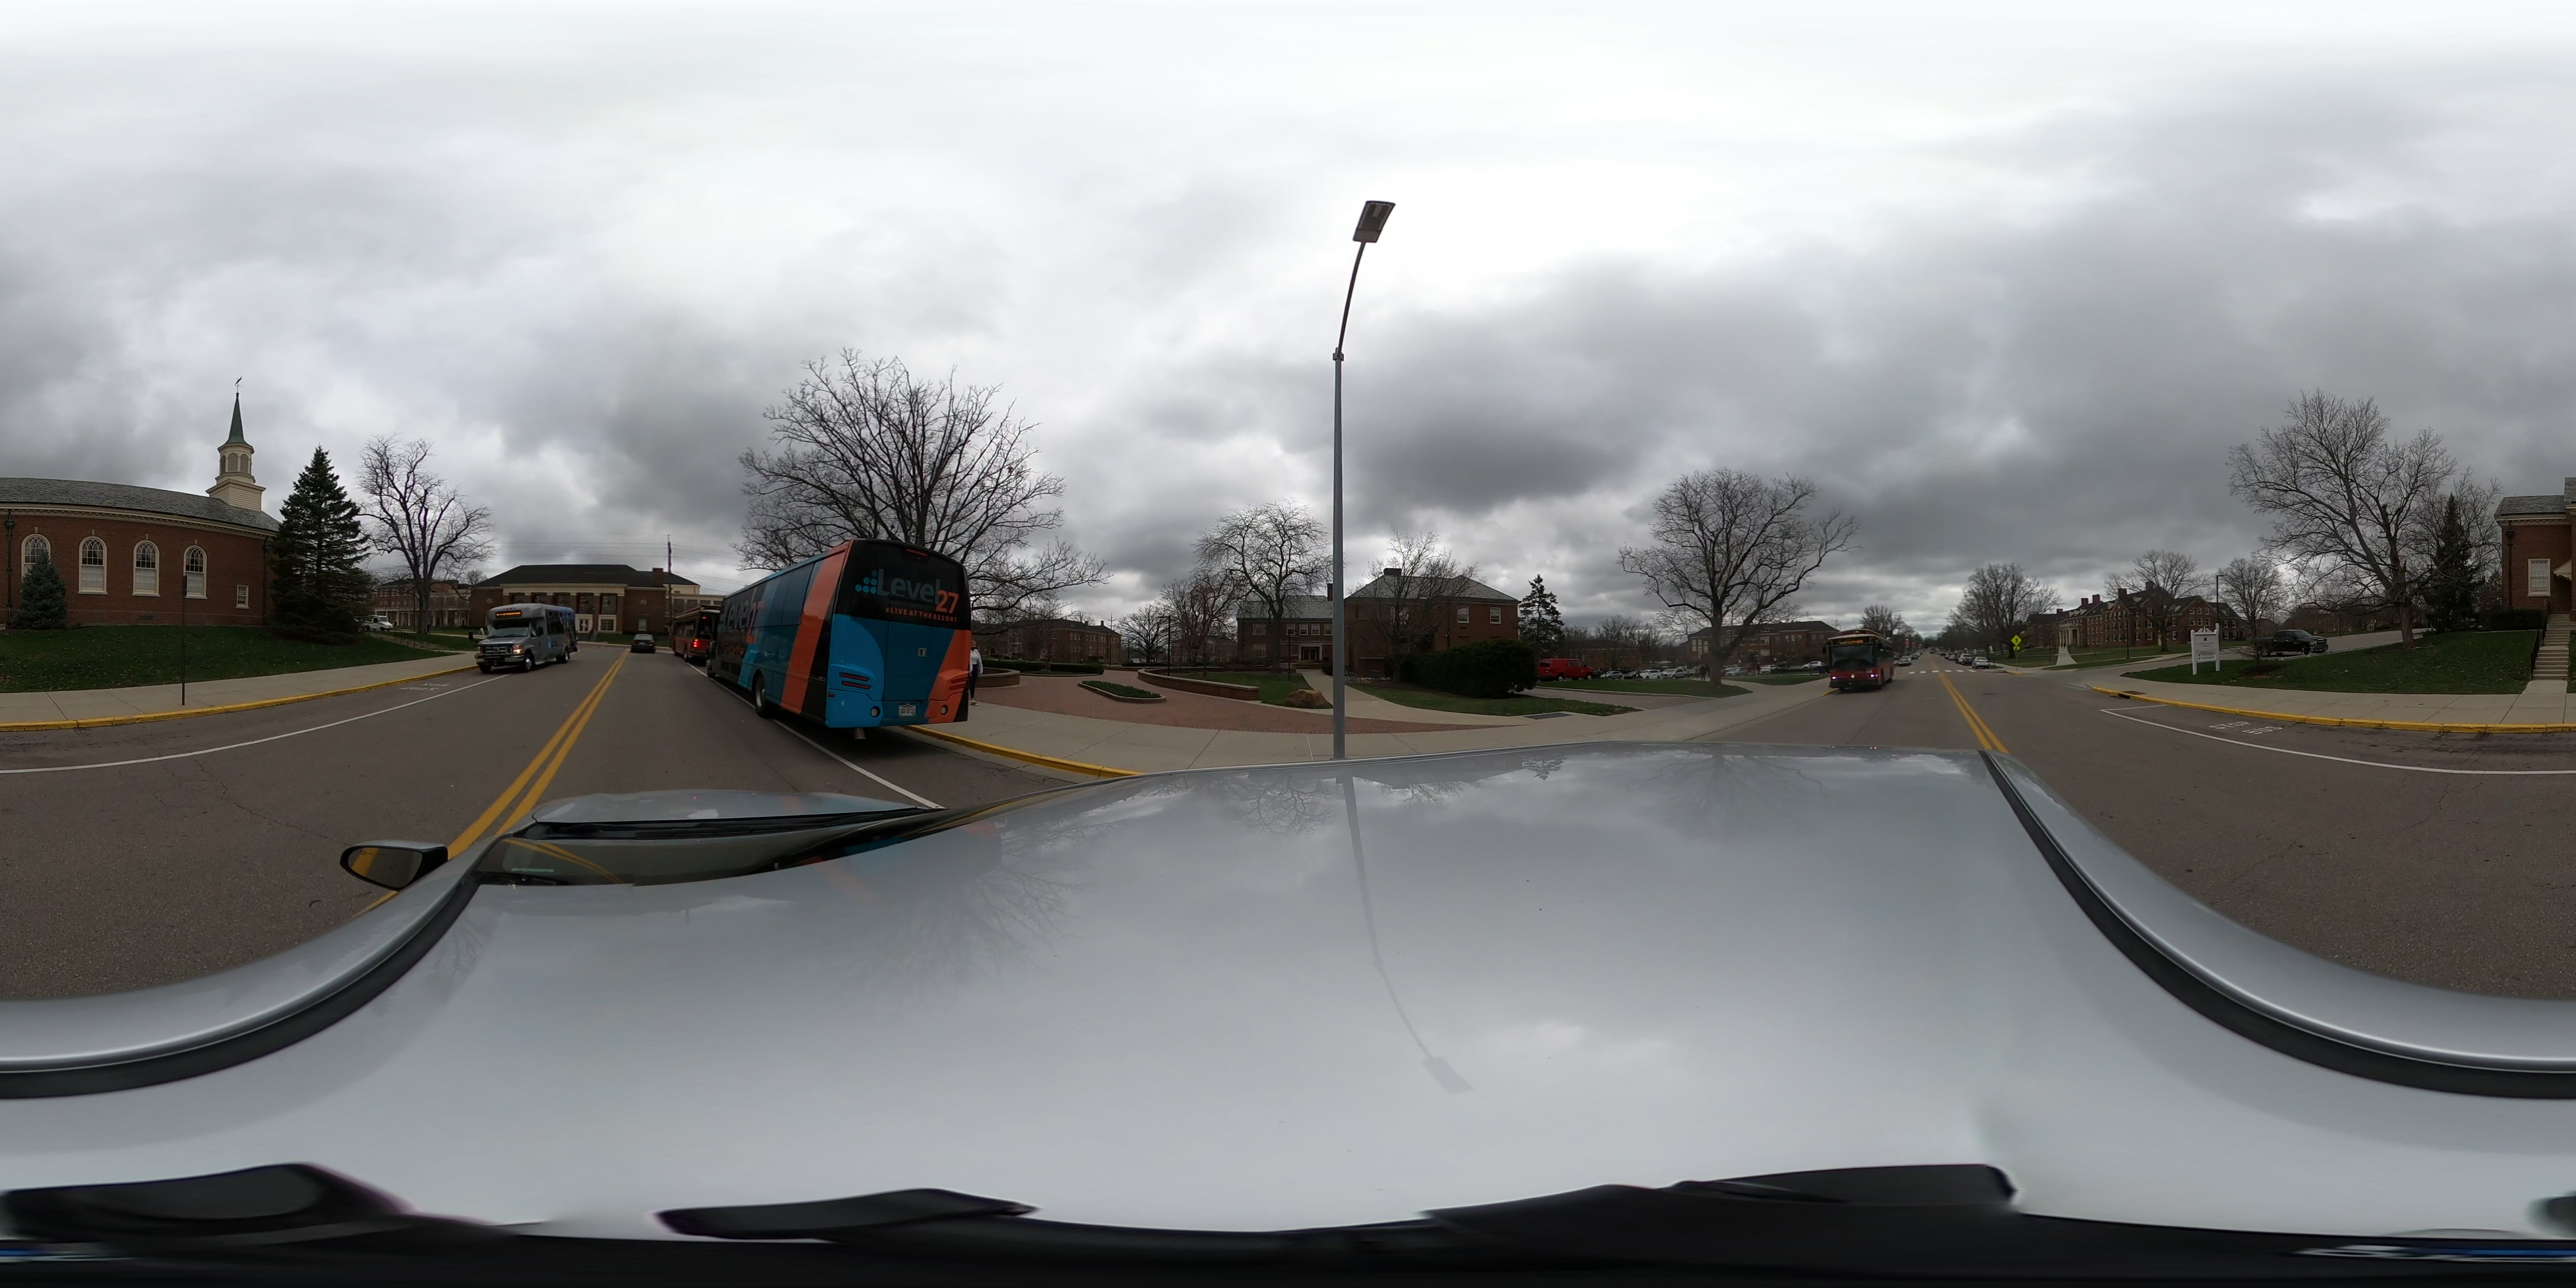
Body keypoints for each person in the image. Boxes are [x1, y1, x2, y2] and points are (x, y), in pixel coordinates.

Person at [963, 644, 982, 720]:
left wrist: (980, 670)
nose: (974, 646)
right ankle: (965, 699)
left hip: (975, 668)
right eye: (973, 644)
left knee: (973, 684)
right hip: (969, 668)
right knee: (969, 684)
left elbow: (979, 661)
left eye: (975, 644)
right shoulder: (968, 652)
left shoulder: (976, 652)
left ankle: (972, 699)